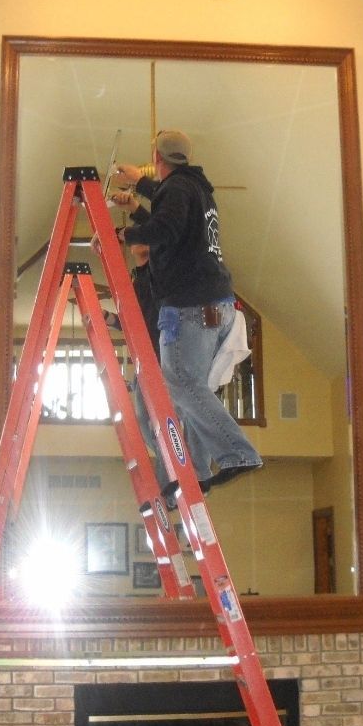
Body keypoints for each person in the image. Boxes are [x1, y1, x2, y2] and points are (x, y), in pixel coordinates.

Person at [109, 129, 262, 493]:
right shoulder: (196, 189)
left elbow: (165, 226)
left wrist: (126, 234)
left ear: (158, 158)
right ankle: (199, 474)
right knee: (186, 389)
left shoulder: (177, 190)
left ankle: (236, 453)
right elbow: (170, 217)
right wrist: (139, 190)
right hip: (212, 303)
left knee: (180, 383)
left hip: (191, 304)